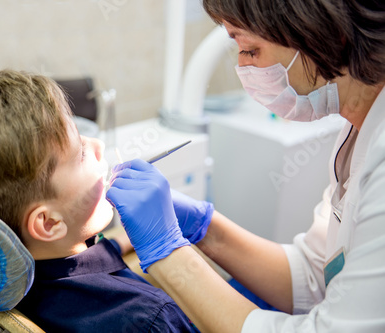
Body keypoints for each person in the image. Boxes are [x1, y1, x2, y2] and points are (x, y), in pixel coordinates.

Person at [107, 0, 385, 332]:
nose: (244, 70)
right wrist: (205, 229)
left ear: (327, 32)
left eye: (251, 50)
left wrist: (165, 251)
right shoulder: (358, 131)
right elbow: (314, 277)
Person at [0, 70, 199, 332]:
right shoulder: (151, 319)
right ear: (49, 222)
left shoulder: (1, 280)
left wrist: (135, 241)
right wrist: (173, 249)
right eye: (80, 152)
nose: (98, 145)